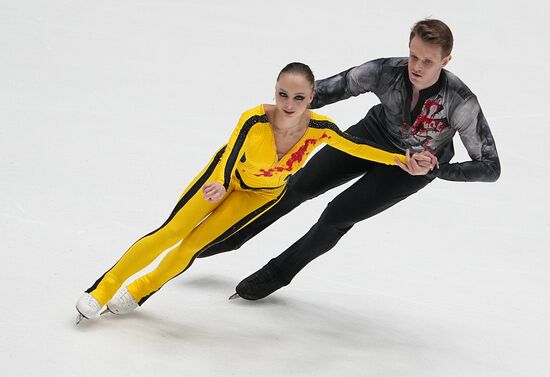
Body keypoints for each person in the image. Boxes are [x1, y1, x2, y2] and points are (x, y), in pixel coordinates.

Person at [75, 62, 435, 323]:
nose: (289, 103)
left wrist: (399, 159)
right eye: (282, 94)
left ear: (312, 97)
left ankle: (141, 290)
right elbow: (231, 154)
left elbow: (356, 147)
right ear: (274, 91)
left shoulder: (322, 128)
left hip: (261, 195)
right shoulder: (254, 119)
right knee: (172, 232)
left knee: (192, 246)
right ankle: (101, 291)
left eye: (298, 97)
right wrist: (221, 183)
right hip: (223, 181)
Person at [193, 19, 501, 301]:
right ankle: (232, 235)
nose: (417, 66)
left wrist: (437, 168)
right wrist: (282, 109)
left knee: (336, 215)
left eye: (428, 61)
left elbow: (490, 167)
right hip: (372, 136)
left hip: (411, 168)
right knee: (299, 184)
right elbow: (326, 90)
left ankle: (276, 273)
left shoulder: (460, 101)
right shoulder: (385, 71)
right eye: (413, 56)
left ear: (446, 61)